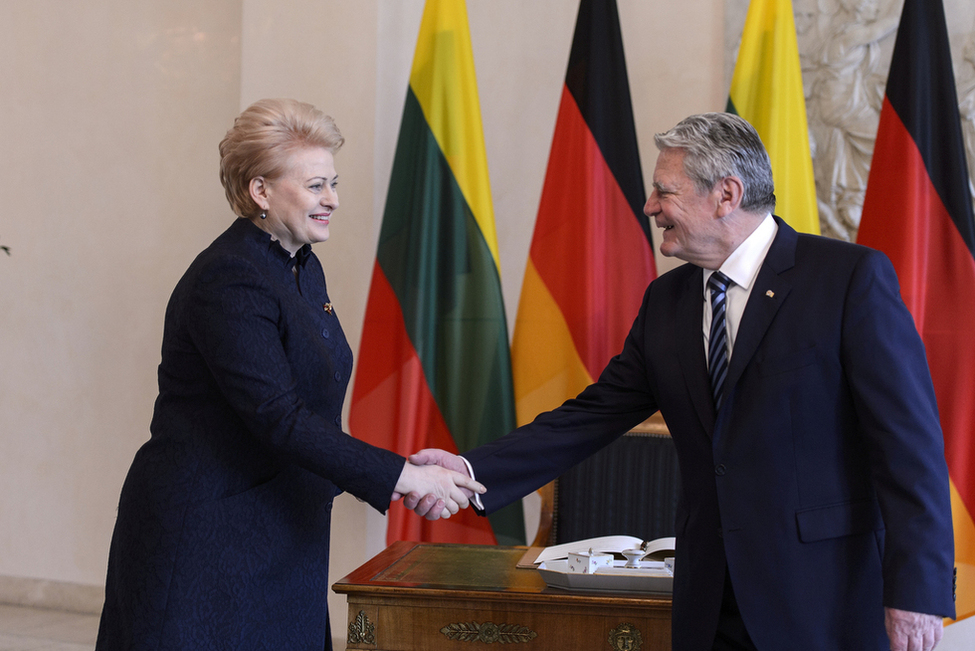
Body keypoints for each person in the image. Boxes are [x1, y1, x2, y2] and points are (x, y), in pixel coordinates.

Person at [407, 113, 956, 650]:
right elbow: (593, 414)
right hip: (708, 596)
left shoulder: (846, 280)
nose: (649, 207)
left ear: (726, 194)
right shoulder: (666, 301)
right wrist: (473, 470)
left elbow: (909, 448)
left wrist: (917, 592)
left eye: (663, 192)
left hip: (822, 595)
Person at [95, 98, 483, 650]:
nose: (333, 200)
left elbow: (309, 410)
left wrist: (403, 468)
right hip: (209, 538)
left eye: (333, 183)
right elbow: (279, 418)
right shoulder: (230, 277)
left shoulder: (300, 265)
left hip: (284, 531)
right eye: (317, 185)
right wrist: (403, 477)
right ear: (260, 191)